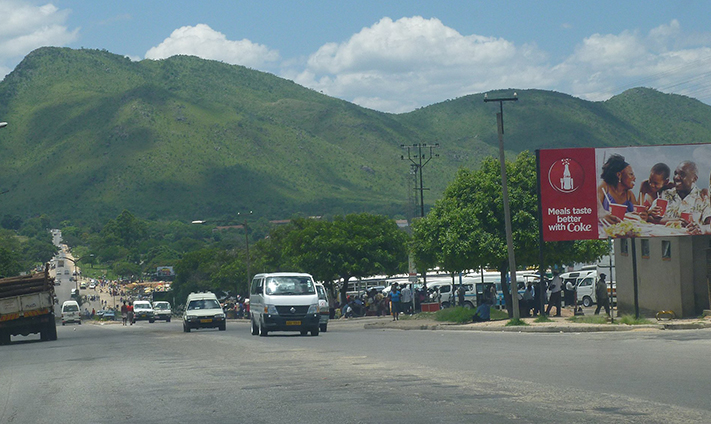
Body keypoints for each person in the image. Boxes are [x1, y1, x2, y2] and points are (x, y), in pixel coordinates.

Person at [659, 161, 711, 234]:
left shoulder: (703, 198)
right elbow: (652, 217)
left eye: (682, 174)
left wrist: (701, 229)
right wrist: (672, 220)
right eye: (675, 173)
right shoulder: (666, 194)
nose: (676, 177)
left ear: (694, 179)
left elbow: (709, 225)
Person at [597, 154, 645, 226]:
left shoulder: (629, 194)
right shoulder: (604, 187)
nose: (634, 178)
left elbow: (638, 216)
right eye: (631, 174)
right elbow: (595, 208)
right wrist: (602, 214)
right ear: (619, 175)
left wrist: (644, 215)